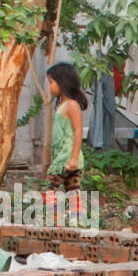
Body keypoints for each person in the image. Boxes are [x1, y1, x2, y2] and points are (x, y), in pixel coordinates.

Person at [46, 63, 86, 193]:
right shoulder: (61, 105)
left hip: (68, 156)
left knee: (49, 189)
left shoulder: (72, 105)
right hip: (62, 154)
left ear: (62, 82)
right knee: (72, 191)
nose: (49, 86)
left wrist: (74, 158)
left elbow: (78, 130)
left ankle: (47, 212)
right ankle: (76, 213)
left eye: (51, 82)